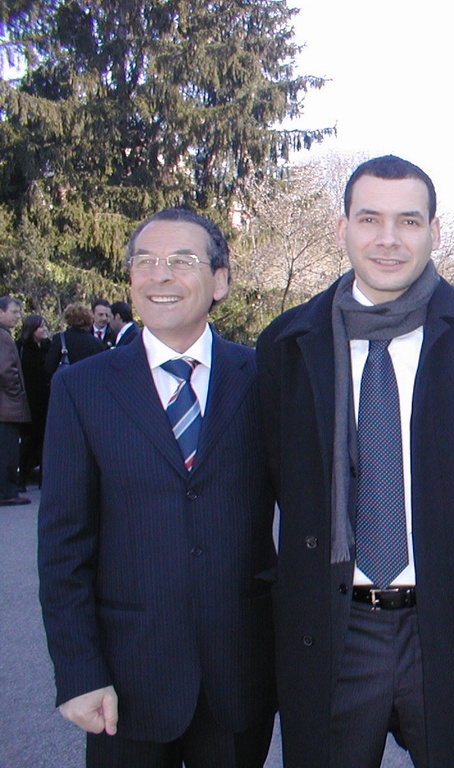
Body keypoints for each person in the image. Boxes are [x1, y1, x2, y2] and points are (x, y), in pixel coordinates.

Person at [257, 154, 454, 767]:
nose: (388, 239)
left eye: (408, 221)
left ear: (434, 231)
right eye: (369, 219)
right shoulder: (286, 344)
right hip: (334, 630)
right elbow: (272, 481)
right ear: (342, 228)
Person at [38, 208, 277, 767]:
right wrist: (78, 672)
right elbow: (63, 546)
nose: (160, 274)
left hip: (239, 675)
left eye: (181, 260)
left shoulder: (267, 380)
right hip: (125, 681)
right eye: (145, 261)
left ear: (220, 281)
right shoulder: (82, 389)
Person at [0, 296, 31, 506]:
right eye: (14, 312)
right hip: (7, 405)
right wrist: (15, 392)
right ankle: (7, 492)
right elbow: (5, 370)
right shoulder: (3, 337)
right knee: (8, 451)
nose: (18, 316)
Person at [16, 313, 50, 488]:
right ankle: (22, 477)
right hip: (28, 400)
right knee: (28, 440)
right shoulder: (21, 347)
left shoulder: (48, 346)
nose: (45, 330)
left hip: (45, 399)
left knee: (44, 439)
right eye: (41, 326)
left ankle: (44, 479)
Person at [44, 302, 106, 377]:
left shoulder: (60, 339)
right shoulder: (97, 343)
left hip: (67, 381)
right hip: (89, 381)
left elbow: (49, 367)